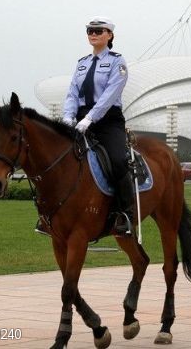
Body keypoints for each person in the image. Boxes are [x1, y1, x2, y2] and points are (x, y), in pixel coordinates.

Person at [62, 16, 134, 236]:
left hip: (108, 120)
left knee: (118, 161)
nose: (93, 34)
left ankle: (125, 214)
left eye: (99, 31)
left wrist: (90, 119)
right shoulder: (82, 63)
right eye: (90, 31)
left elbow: (111, 94)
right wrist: (68, 116)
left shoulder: (116, 61)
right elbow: (73, 92)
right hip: (81, 119)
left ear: (109, 35)